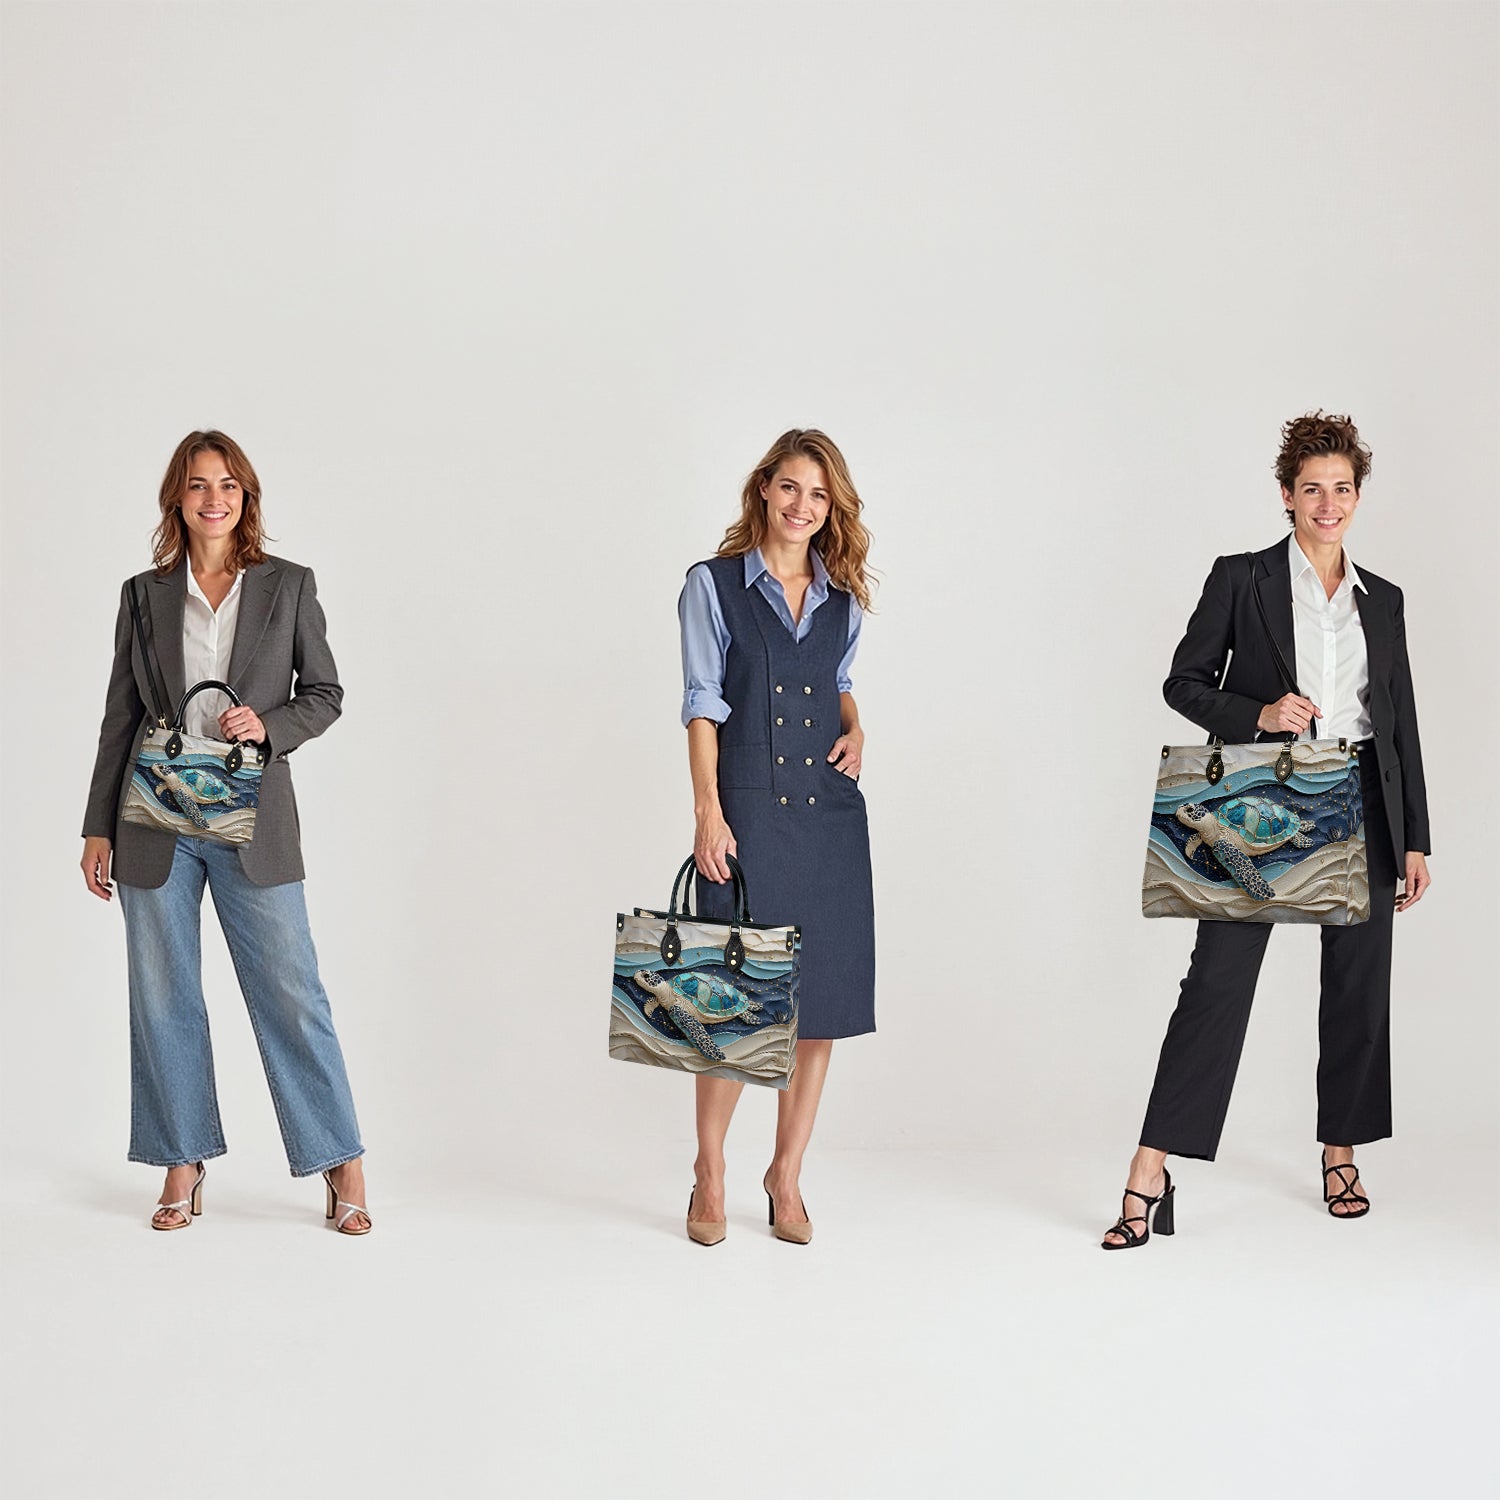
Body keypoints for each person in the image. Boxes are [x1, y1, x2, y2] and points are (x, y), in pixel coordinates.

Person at [1101, 412, 1431, 1248]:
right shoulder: (1241, 578)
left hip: (1363, 799)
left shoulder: (1383, 600)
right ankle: (1150, 1167)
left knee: (1358, 987)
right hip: (1267, 795)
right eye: (1312, 489)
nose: (1328, 505)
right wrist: (1259, 712)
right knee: (1216, 983)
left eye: (1342, 489)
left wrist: (1416, 836)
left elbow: (1400, 724)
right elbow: (1183, 682)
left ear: (1359, 496)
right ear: (1286, 495)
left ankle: (1340, 1151)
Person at [80, 430, 372, 1234]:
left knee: (291, 990)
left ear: (247, 498)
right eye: (199, 485)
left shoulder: (288, 584)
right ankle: (182, 1158)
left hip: (254, 819)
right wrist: (96, 827)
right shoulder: (143, 595)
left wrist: (268, 725)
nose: (214, 499)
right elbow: (120, 717)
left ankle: (340, 1157)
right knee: (162, 995)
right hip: (153, 818)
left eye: (229, 486)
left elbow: (325, 692)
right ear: (177, 498)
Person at [677, 428, 876, 1245]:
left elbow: (839, 684)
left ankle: (786, 1175)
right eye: (790, 486)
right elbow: (702, 702)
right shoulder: (712, 586)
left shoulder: (843, 599)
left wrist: (856, 728)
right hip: (750, 812)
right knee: (733, 1002)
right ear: (764, 487)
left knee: (820, 1007)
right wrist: (708, 811)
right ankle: (710, 1171)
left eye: (819, 494)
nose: (803, 505)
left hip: (830, 820)